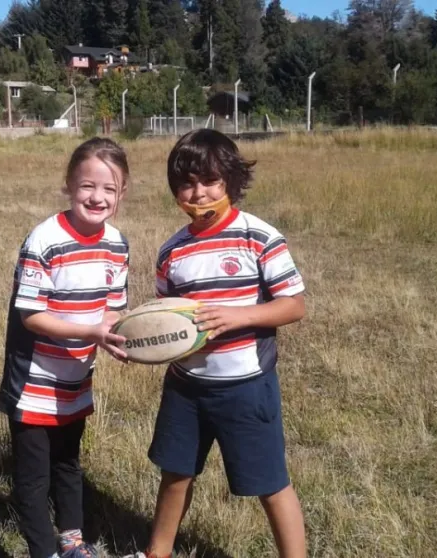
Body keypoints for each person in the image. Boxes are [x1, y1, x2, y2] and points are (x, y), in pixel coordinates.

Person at [130, 129, 308, 558]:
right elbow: (165, 320)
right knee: (175, 473)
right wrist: (145, 343)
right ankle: (158, 553)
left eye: (210, 181)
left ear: (229, 180)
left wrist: (239, 316)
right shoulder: (172, 250)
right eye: (188, 184)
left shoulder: (258, 236)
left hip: (245, 387)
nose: (200, 193)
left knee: (270, 483)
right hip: (186, 387)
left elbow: (294, 305)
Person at [0, 137, 131, 558]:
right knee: (33, 478)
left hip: (76, 377)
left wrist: (119, 334)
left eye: (109, 189)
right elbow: (31, 316)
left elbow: (113, 309)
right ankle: (44, 552)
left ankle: (73, 542)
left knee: (69, 464)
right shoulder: (45, 239)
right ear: (69, 184)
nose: (97, 197)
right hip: (34, 380)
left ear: (122, 193)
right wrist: (93, 332)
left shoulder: (117, 244)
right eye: (88, 185)